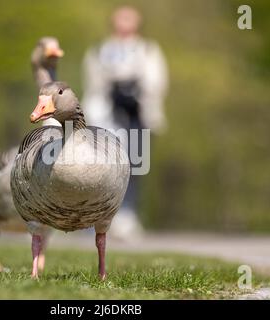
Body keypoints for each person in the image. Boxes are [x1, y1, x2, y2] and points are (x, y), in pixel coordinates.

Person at [82, 6, 169, 239]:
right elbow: (92, 82)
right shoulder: (101, 50)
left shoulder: (148, 50)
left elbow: (157, 80)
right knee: (101, 165)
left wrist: (136, 91)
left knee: (135, 164)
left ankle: (128, 215)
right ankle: (97, 215)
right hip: (106, 114)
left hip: (137, 114)